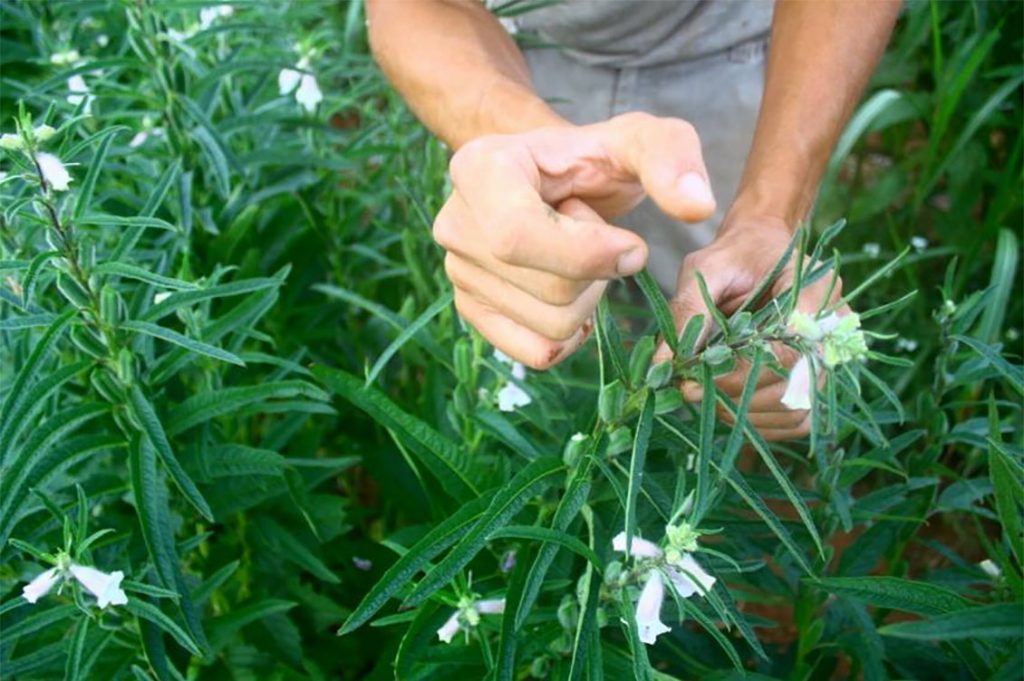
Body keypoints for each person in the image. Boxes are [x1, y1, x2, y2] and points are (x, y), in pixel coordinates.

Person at [366, 0, 900, 440]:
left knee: (744, 358)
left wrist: (771, 215)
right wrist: (533, 149)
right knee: (534, 329)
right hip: (508, 58)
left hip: (750, 56)